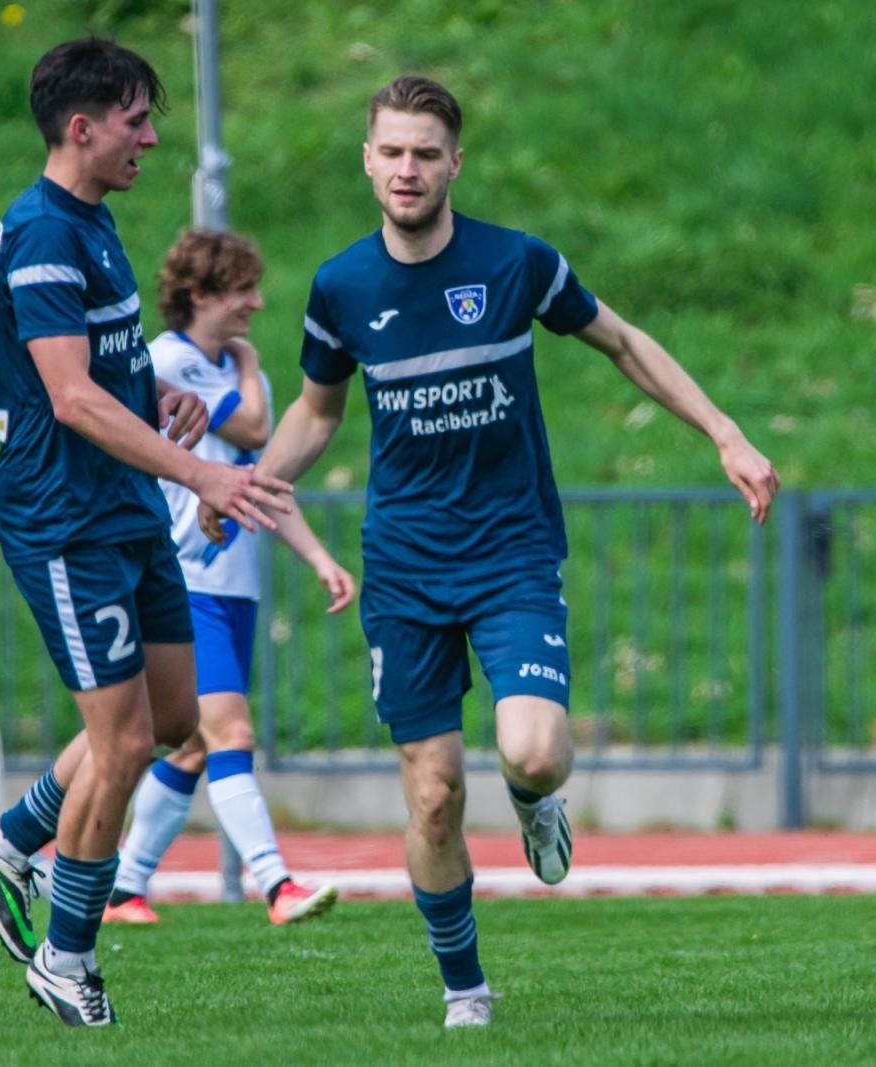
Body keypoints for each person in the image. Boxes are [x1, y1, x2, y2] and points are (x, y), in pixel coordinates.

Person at [226, 75, 781, 1028]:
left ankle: (536, 800)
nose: (408, 169)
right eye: (392, 151)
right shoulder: (342, 286)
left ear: (455, 163)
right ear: (368, 159)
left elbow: (622, 342)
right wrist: (242, 486)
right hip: (403, 565)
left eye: (426, 153)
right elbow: (318, 414)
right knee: (434, 794)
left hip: (511, 549)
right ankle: (464, 989)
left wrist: (724, 431)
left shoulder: (517, 263)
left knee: (534, 748)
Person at [0, 38, 291, 1028]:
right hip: (65, 520)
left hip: (128, 505)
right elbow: (66, 397)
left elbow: (104, 378)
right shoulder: (42, 233)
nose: (151, 135)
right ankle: (67, 955)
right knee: (129, 738)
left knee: (178, 714)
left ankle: (13, 837)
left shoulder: (98, 226)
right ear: (82, 126)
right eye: (136, 119)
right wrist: (201, 468)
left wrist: (161, 404)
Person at [102, 229, 352, 927]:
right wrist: (245, 364)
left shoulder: (238, 370)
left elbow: (260, 479)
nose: (257, 302)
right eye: (243, 289)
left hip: (233, 583)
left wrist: (318, 557)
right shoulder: (169, 362)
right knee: (230, 732)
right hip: (185, 580)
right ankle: (279, 886)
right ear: (201, 294)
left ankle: (122, 889)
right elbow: (251, 429)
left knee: (190, 746)